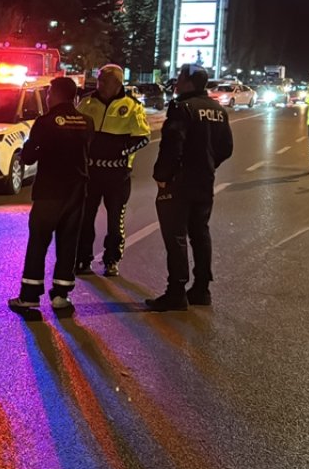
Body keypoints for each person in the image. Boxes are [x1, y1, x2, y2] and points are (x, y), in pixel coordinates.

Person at [146, 64, 233, 311]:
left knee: (175, 236)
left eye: (181, 78)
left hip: (179, 182)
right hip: (204, 181)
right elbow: (226, 148)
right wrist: (208, 164)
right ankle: (202, 289)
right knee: (200, 233)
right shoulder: (218, 110)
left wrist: (163, 175)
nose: (176, 83)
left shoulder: (182, 107)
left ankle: (176, 292)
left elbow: (173, 144)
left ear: (190, 82)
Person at [8, 77, 93, 311]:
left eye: (49, 94)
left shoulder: (45, 122)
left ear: (54, 95)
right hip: (76, 192)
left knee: (38, 243)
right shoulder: (87, 122)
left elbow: (28, 157)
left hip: (49, 191)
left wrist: (29, 146)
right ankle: (61, 296)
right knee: (68, 244)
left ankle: (30, 296)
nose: (47, 97)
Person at [75, 64, 151, 277]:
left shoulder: (132, 106)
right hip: (91, 172)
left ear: (117, 83)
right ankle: (83, 259)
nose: (100, 84)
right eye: (99, 79)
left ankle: (112, 260)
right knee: (85, 217)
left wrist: (123, 151)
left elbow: (144, 137)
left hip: (117, 175)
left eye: (104, 80)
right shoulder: (87, 103)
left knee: (115, 219)